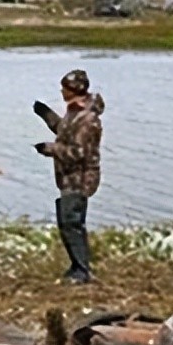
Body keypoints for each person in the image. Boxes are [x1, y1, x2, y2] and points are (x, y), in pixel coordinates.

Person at [33, 69, 104, 284]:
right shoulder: (76, 113)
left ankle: (81, 271)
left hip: (79, 178)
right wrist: (46, 114)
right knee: (68, 222)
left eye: (64, 87)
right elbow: (65, 130)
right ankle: (77, 267)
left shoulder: (88, 119)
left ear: (74, 90)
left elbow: (77, 152)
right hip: (69, 177)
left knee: (71, 223)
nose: (61, 90)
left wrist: (50, 148)